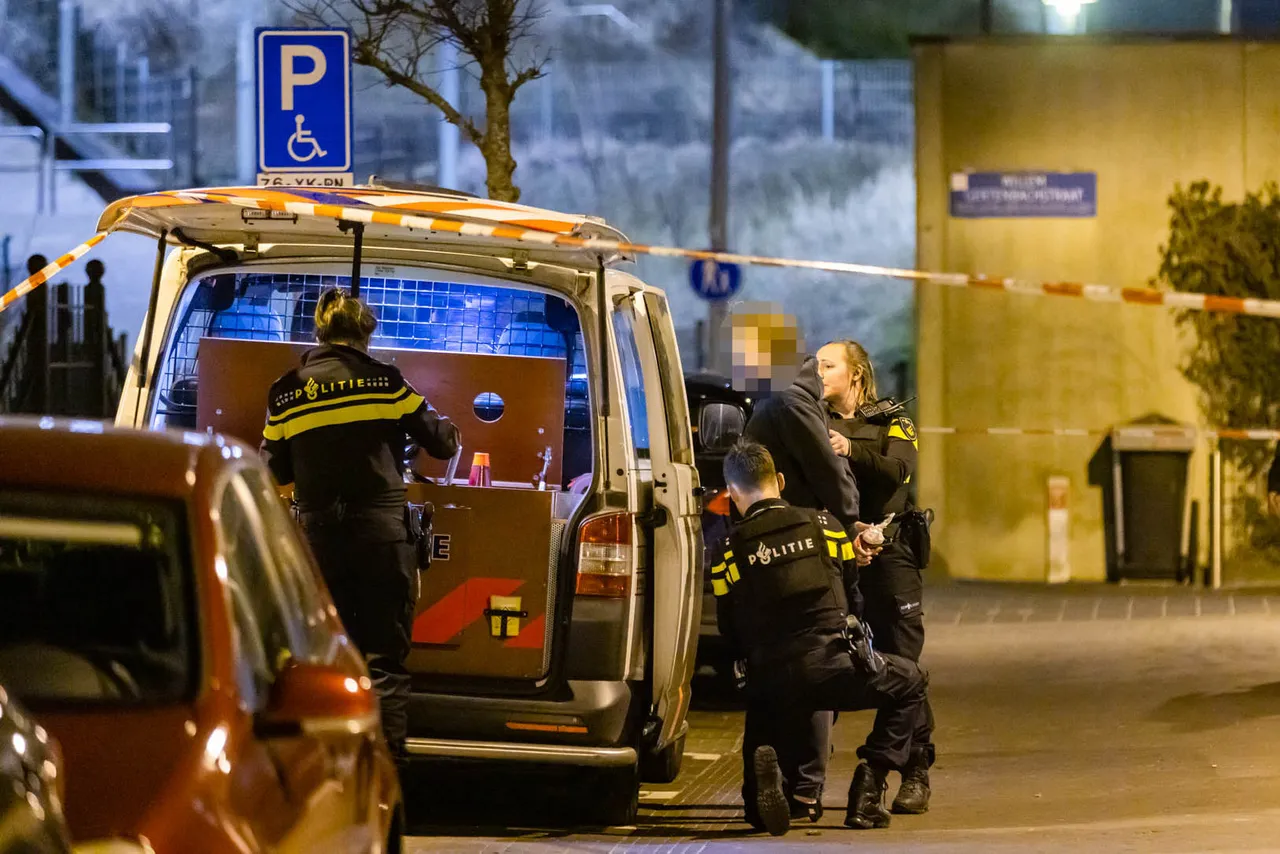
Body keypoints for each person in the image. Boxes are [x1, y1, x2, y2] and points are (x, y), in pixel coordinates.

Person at [260, 288, 459, 769]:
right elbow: (442, 441)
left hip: (318, 544)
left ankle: (328, 771)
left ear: (319, 332)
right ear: (365, 333)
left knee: (324, 660)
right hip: (381, 539)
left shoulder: (286, 391)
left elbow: (274, 470)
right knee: (384, 662)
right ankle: (384, 776)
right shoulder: (386, 382)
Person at [714, 440, 932, 836]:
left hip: (770, 679)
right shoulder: (826, 526)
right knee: (911, 683)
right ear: (779, 481)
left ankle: (764, 788)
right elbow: (853, 595)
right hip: (833, 665)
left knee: (766, 716)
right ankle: (868, 788)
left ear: (731, 494)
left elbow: (728, 627)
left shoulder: (728, 550)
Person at [730, 307, 862, 821]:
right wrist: (852, 524)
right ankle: (804, 790)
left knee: (771, 666)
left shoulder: (779, 399)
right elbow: (832, 478)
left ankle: (759, 792)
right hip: (807, 546)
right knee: (822, 659)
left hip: (766, 548)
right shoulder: (793, 400)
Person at [817, 339, 934, 813]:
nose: (818, 371)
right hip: (842, 554)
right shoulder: (815, 424)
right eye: (816, 364)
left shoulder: (893, 421)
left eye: (828, 365)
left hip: (892, 558)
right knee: (860, 662)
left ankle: (912, 770)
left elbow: (899, 471)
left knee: (902, 661)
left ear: (856, 375)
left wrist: (850, 449)